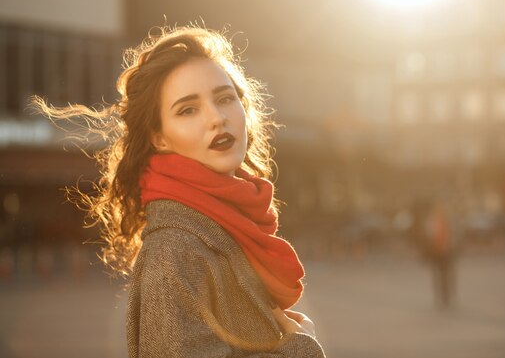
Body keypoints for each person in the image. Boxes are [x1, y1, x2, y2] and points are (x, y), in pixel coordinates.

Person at [33, 26, 325, 357]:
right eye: (188, 110)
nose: (216, 118)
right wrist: (301, 350)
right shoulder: (175, 250)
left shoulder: (230, 227)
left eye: (225, 98)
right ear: (159, 137)